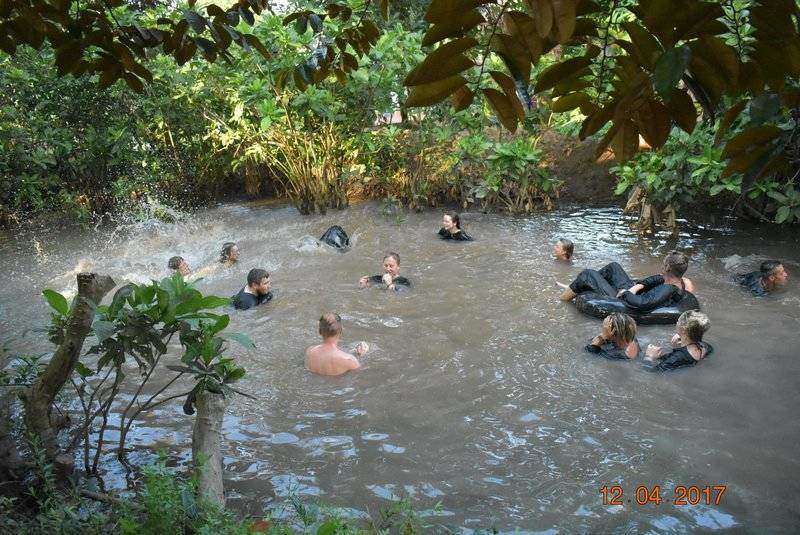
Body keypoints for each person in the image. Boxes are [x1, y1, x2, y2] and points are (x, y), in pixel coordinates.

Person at [558, 251, 695, 311]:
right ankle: (578, 287)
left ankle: (563, 299)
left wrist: (626, 293)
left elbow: (641, 303)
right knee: (614, 267)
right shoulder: (684, 282)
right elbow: (648, 282)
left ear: (667, 267)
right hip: (633, 292)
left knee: (587, 274)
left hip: (624, 300)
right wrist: (635, 288)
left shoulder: (668, 289)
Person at [305, 312, 369, 376]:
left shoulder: (309, 352)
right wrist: (361, 356)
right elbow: (360, 375)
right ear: (341, 331)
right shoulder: (350, 360)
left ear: (319, 331)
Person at [645, 310, 711, 371]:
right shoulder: (705, 346)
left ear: (683, 330)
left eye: (678, 321)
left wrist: (648, 356)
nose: (677, 322)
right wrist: (682, 337)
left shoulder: (677, 358)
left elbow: (650, 371)